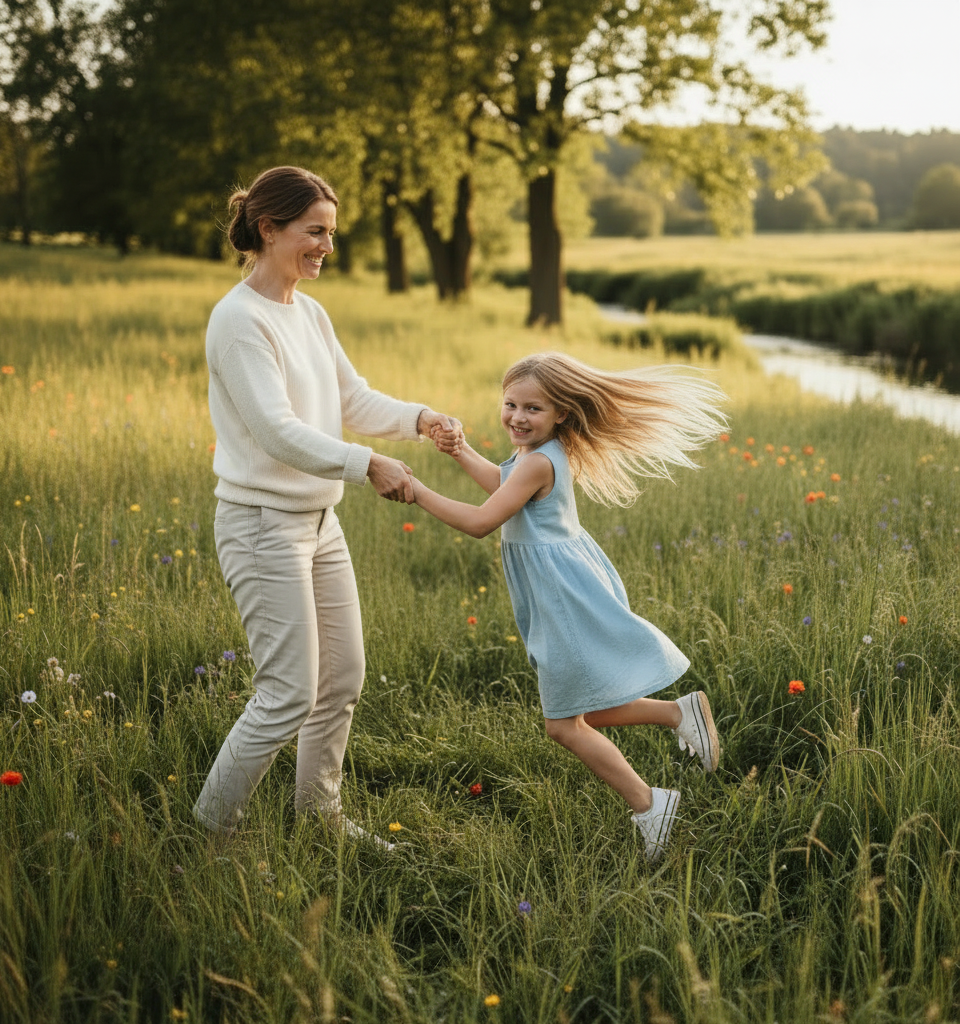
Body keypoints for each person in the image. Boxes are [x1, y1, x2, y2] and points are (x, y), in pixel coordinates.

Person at [193, 166, 461, 847]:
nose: (326, 248)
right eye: (315, 232)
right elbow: (276, 431)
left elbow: (351, 399)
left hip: (320, 524)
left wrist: (420, 418)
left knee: (340, 680)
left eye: (331, 234)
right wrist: (366, 464)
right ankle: (211, 835)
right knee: (287, 694)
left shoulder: (308, 313)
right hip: (262, 526)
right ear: (269, 229)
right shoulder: (239, 321)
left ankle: (320, 817)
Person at [416, 352, 726, 861]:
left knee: (563, 724)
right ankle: (677, 713)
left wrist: (416, 490)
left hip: (562, 597)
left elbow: (480, 521)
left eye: (532, 408)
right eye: (510, 404)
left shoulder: (539, 461)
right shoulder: (535, 455)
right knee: (585, 707)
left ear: (561, 412)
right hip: (560, 590)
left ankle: (651, 805)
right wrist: (462, 451)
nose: (518, 417)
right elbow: (503, 488)